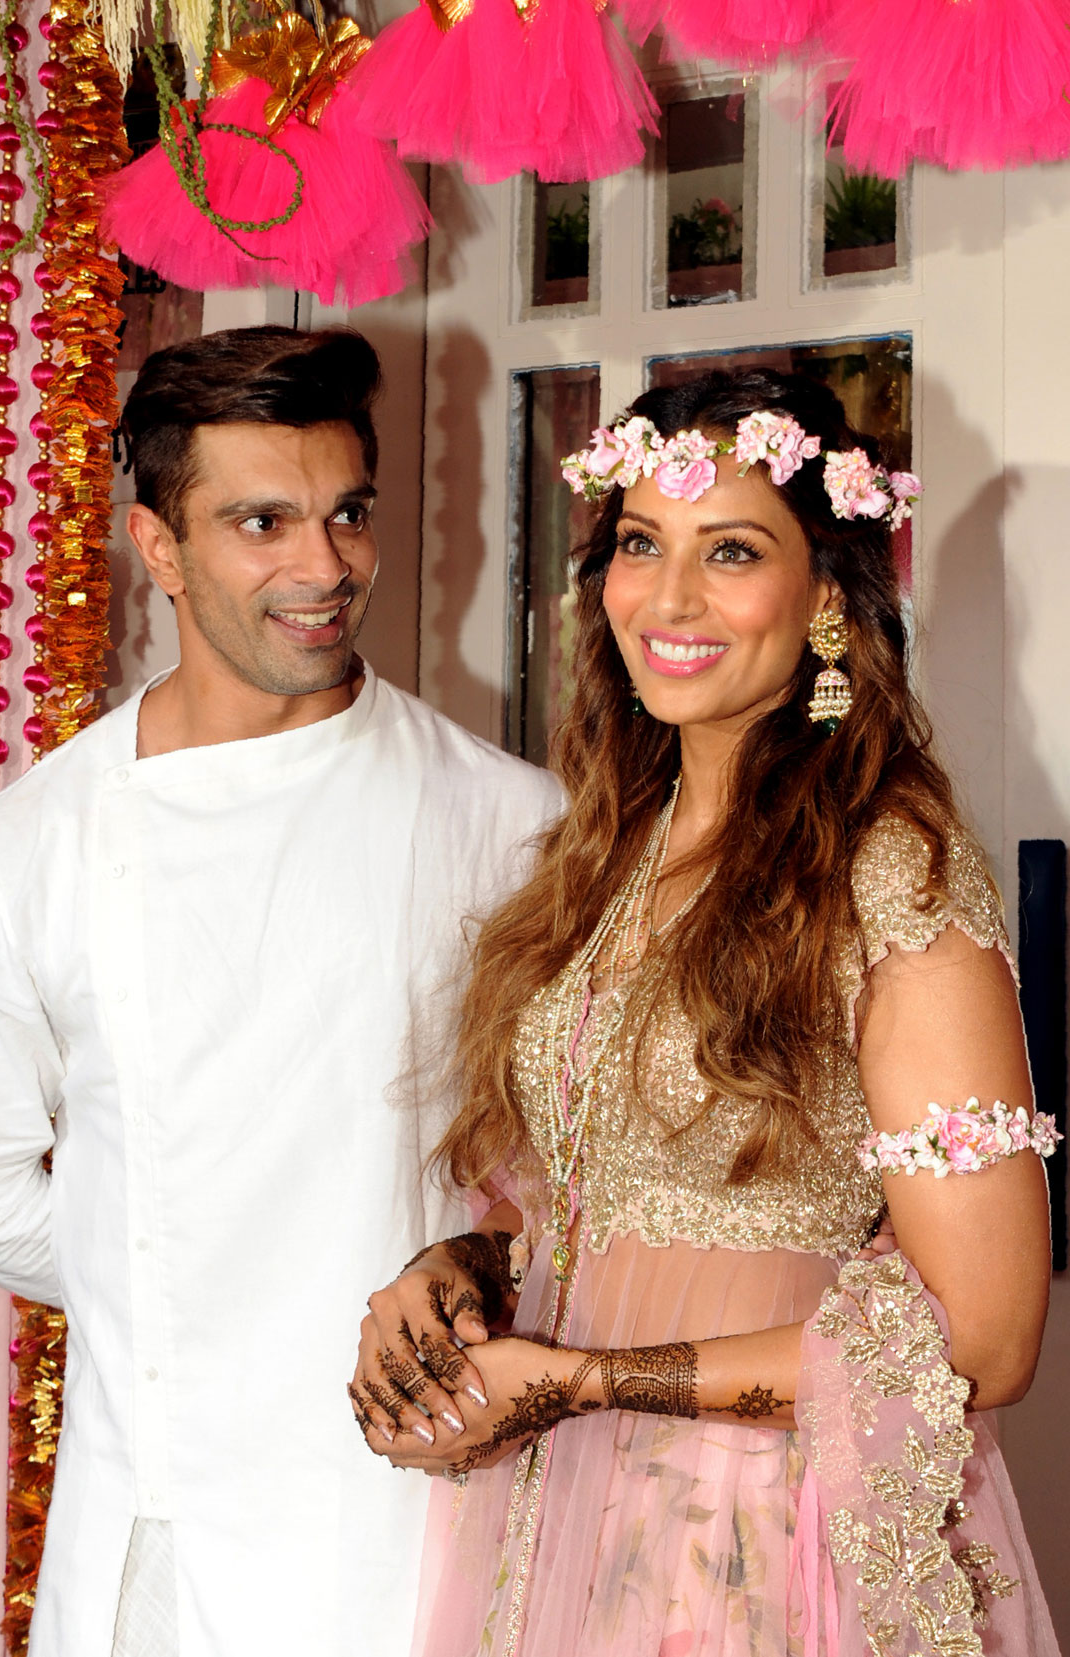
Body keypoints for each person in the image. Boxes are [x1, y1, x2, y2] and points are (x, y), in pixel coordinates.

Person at [350, 369, 1061, 1657]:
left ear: (828, 597)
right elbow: (586, 1191)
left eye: (730, 550)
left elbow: (990, 1335)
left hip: (761, 1549)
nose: (668, 599)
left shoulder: (892, 873)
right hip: (560, 1525)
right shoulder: (608, 851)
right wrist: (459, 1268)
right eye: (639, 545)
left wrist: (577, 1381)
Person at [0, 325, 562, 1657]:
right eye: (263, 521)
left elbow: (577, 1167)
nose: (325, 568)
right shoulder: (27, 850)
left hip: (433, 1517)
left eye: (347, 514)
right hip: (164, 1541)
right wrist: (173, 1274)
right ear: (156, 544)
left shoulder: (512, 820)